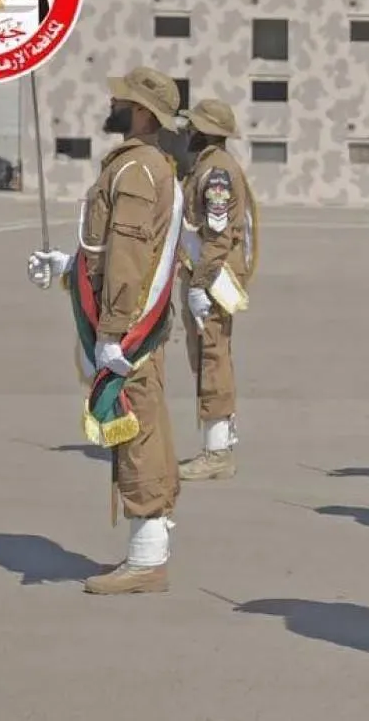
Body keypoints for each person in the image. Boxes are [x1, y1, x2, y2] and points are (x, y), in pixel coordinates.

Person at [26, 66, 185, 594]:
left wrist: (113, 331)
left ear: (141, 112)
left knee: (135, 430)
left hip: (129, 327)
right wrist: (66, 267)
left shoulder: (136, 169)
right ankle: (148, 550)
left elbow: (128, 257)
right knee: (143, 427)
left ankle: (146, 563)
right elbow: (107, 251)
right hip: (131, 320)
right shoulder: (142, 164)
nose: (112, 105)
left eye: (121, 100)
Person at [173, 99, 259, 481]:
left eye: (193, 127)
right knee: (210, 356)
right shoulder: (208, 166)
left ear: (205, 132)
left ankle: (217, 453)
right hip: (208, 274)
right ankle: (217, 443)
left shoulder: (217, 173)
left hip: (212, 276)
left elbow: (219, 236)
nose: (187, 133)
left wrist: (200, 284)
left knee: (212, 358)